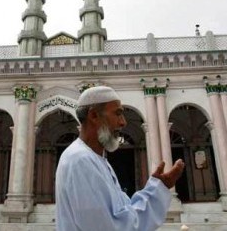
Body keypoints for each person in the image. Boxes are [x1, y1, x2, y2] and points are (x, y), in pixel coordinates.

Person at [55, 86, 185, 231]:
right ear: (94, 116)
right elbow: (109, 227)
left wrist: (157, 189)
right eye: (117, 114)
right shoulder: (80, 160)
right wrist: (158, 191)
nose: (123, 122)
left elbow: (124, 214)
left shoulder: (96, 159)